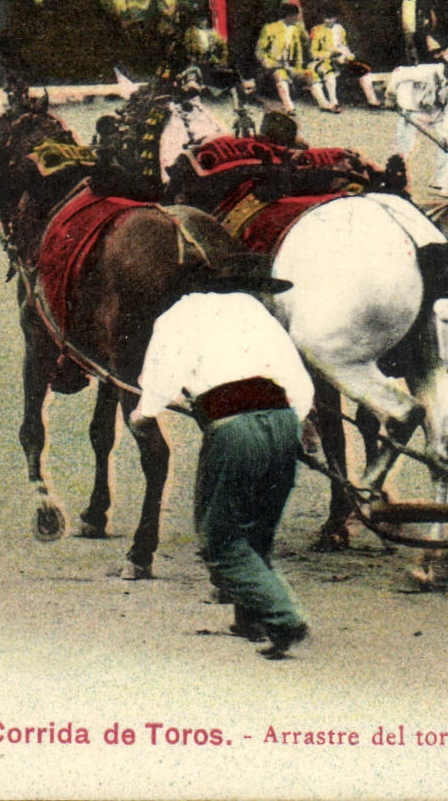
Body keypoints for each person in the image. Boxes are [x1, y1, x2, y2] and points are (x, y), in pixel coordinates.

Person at [127, 252, 313, 658]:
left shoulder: (183, 312)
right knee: (258, 531)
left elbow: (160, 378)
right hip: (283, 420)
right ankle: (252, 620)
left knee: (220, 539)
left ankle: (284, 619)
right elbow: (298, 381)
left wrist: (143, 415)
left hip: (232, 428)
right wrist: (290, 426)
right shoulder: (260, 316)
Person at [362, 47, 448, 200]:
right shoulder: (424, 71)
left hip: (437, 113)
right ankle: (391, 181)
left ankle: (441, 183)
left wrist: (446, 135)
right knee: (403, 147)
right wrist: (390, 95)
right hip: (413, 111)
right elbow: (398, 73)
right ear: (446, 66)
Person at [253, 1, 310, 113]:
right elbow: (260, 51)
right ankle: (288, 105)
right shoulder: (270, 28)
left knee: (311, 76)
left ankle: (326, 104)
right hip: (274, 65)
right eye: (295, 16)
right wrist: (267, 62)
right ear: (288, 16)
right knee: (281, 75)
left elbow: (306, 44)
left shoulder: (298, 28)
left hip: (291, 65)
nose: (297, 18)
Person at [306, 6, 354, 113]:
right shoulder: (316, 30)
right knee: (327, 73)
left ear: (335, 18)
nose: (327, 20)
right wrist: (329, 54)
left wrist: (346, 54)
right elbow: (312, 52)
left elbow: (344, 45)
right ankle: (331, 102)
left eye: (330, 17)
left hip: (337, 60)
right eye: (325, 17)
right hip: (319, 61)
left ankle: (333, 101)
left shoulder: (340, 29)